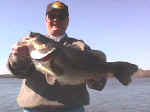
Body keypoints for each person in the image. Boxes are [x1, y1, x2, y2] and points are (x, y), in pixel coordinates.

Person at [8, 1, 107, 112]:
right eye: (52, 16)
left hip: (72, 109)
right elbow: (18, 72)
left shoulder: (81, 47)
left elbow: (98, 85)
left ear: (68, 20)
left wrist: (98, 79)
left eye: (61, 16)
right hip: (33, 109)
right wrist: (17, 58)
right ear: (46, 19)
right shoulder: (31, 44)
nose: (56, 19)